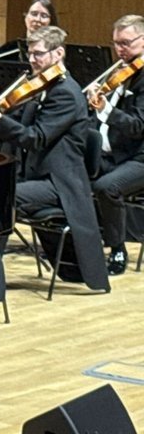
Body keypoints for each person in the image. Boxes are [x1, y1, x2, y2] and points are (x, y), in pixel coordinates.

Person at [0, 25, 109, 291]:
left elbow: (36, 137)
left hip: (60, 183)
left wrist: (1, 121)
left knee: (0, 199)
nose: (32, 60)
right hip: (36, 176)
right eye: (30, 53)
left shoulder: (66, 93)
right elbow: (15, 126)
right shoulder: (42, 87)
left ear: (58, 53)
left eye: (38, 54)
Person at [89, 14, 144, 276]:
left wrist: (106, 109)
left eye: (125, 43)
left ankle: (117, 248)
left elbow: (138, 126)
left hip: (139, 158)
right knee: (69, 174)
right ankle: (78, 246)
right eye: (116, 43)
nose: (119, 49)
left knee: (107, 188)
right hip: (113, 153)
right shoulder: (122, 72)